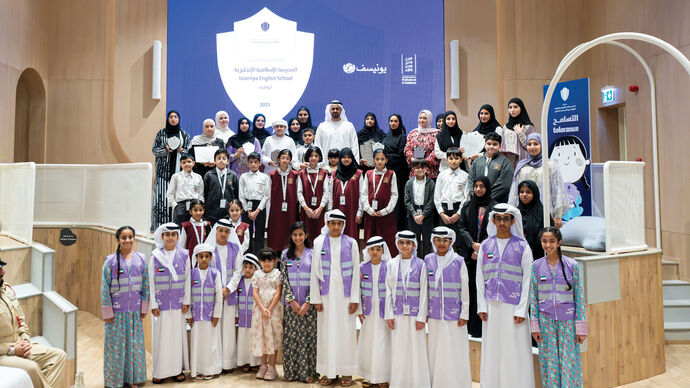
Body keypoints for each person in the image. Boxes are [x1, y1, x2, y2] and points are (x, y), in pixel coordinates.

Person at [476, 204, 535, 388]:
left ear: (512, 221)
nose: (502, 223)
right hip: (491, 306)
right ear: (493, 220)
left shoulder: (522, 247)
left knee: (514, 350)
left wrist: (521, 309)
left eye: (506, 219)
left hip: (514, 307)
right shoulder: (486, 245)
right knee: (493, 349)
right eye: (498, 219)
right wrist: (481, 306)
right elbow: (479, 276)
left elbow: (528, 281)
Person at [531, 227, 588, 387]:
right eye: (544, 241)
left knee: (569, 362)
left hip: (568, 323)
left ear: (559, 242)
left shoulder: (572, 265)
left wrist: (581, 328)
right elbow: (533, 297)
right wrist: (535, 326)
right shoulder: (536, 266)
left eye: (552, 241)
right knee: (549, 363)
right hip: (545, 322)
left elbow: (579, 297)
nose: (548, 245)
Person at [310, 210, 361, 386]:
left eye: (339, 224)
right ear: (327, 224)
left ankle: (346, 371)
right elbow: (314, 273)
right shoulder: (318, 242)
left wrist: (355, 298)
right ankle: (328, 371)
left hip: (346, 297)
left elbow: (356, 272)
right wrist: (315, 298)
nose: (336, 227)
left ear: (343, 225)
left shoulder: (351, 243)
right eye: (333, 223)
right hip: (325, 297)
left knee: (345, 332)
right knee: (326, 333)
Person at [0, 258, 66, 388]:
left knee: (59, 356)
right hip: (3, 353)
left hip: (19, 344)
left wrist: (25, 340)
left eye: (2, 267)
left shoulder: (7, 290)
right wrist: (13, 350)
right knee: (32, 368)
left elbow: (21, 321)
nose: (3, 272)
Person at [101, 226, 149, 388]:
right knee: (116, 348)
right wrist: (107, 311)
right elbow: (104, 287)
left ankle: (133, 379)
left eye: (130, 237)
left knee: (134, 347)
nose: (127, 240)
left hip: (134, 312)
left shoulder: (141, 259)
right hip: (116, 314)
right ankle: (115, 380)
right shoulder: (110, 261)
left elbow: (146, 285)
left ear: (134, 238)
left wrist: (144, 307)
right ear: (118, 240)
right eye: (124, 237)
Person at [425, 226, 471, 388]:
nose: (442, 243)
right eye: (438, 240)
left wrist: (464, 313)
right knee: (436, 351)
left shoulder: (458, 261)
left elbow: (465, 288)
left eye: (445, 240)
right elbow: (425, 289)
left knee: (455, 351)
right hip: (434, 314)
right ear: (433, 241)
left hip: (454, 315)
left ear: (451, 242)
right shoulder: (428, 259)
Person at [385, 231, 430, 388]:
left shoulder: (421, 264)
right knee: (399, 350)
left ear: (414, 245)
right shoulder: (391, 264)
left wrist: (421, 316)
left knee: (416, 350)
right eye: (402, 242)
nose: (405, 246)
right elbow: (388, 291)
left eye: (408, 243)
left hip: (415, 315)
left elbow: (424, 291)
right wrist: (389, 314)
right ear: (397, 244)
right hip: (397, 314)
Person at [148, 223, 189, 383]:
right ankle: (159, 371)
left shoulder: (185, 255)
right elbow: (150, 281)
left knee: (176, 337)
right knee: (160, 338)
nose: (170, 237)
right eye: (167, 234)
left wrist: (186, 300)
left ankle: (177, 370)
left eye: (173, 234)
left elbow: (186, 280)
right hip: (161, 305)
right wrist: (153, 303)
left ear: (178, 237)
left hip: (178, 304)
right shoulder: (156, 255)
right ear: (162, 237)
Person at [457, 176, 497, 338]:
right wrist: (472, 245)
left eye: (482, 186)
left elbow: (496, 231)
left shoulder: (495, 208)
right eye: (476, 186)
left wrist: (482, 248)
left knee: (485, 290)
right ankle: (472, 328)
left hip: (488, 256)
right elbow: (462, 227)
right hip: (470, 255)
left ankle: (485, 327)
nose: (479, 189)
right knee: (471, 289)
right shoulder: (467, 206)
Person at [280, 222, 318, 383]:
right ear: (291, 236)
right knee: (291, 340)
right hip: (291, 307)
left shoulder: (313, 253)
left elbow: (316, 278)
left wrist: (308, 302)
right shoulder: (284, 255)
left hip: (309, 307)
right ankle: (291, 372)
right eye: (295, 235)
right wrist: (292, 301)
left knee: (308, 339)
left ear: (306, 235)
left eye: (301, 234)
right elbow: (284, 278)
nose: (298, 238)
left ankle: (308, 372)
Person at [508, 133, 570, 228]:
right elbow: (515, 190)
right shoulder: (522, 165)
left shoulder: (550, 165)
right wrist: (511, 211)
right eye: (529, 144)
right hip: (524, 212)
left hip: (544, 211)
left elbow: (557, 189)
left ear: (542, 145)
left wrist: (558, 215)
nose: (532, 147)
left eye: (536, 144)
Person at [206, 219, 243, 372]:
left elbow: (238, 271)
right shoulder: (208, 249)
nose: (223, 234)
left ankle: (227, 363)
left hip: (229, 295)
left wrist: (227, 289)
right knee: (213, 329)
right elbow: (205, 270)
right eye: (221, 231)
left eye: (226, 231)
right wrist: (218, 291)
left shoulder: (235, 248)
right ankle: (214, 363)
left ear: (230, 233)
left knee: (227, 329)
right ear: (216, 231)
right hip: (213, 296)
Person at [357, 236, 392, 388]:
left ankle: (383, 376)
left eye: (378, 249)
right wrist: (359, 309)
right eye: (372, 249)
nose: (375, 252)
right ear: (367, 251)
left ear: (382, 250)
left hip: (384, 312)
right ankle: (369, 376)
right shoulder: (362, 267)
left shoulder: (389, 266)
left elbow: (392, 290)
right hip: (368, 312)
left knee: (383, 343)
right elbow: (356, 290)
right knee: (369, 342)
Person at [185, 243, 223, 380]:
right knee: (197, 344)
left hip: (210, 315)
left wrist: (217, 314)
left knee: (210, 344)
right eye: (201, 256)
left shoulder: (215, 274)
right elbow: (187, 295)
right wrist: (189, 314)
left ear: (210, 257)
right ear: (196, 257)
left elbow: (219, 296)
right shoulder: (191, 273)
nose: (204, 259)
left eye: (207, 256)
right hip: (195, 316)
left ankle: (209, 369)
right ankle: (198, 370)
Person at [151, 110, 191, 231]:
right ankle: (160, 228)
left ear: (179, 119)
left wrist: (180, 150)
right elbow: (154, 150)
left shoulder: (184, 134)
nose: (173, 119)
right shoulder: (161, 134)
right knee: (162, 200)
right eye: (171, 117)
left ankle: (176, 228)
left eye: (175, 116)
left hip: (179, 173)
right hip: (163, 174)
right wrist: (165, 150)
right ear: (167, 119)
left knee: (177, 200)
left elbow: (189, 151)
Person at [251, 248, 284, 381]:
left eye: (270, 260)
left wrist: (269, 308)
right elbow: (255, 292)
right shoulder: (257, 275)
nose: (267, 263)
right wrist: (262, 308)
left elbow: (278, 293)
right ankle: (263, 365)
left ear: (275, 261)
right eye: (264, 260)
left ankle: (272, 366)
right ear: (260, 262)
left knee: (274, 336)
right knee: (263, 337)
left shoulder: (277, 274)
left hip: (274, 311)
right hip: (260, 311)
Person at [361, 149, 398, 255]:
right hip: (371, 214)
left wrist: (386, 211)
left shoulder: (391, 174)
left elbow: (394, 195)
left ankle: (389, 265)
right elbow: (363, 194)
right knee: (370, 239)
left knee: (387, 240)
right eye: (377, 159)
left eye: (382, 159)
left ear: (386, 160)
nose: (380, 161)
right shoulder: (368, 173)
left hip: (386, 214)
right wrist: (368, 209)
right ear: (373, 160)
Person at [434, 147, 470, 251]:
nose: (453, 161)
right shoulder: (441, 175)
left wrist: (458, 213)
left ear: (461, 160)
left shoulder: (465, 176)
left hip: (458, 208)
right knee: (443, 239)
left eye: (456, 158)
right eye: (450, 158)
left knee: (459, 240)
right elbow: (437, 197)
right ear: (447, 159)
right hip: (444, 209)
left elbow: (466, 197)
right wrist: (441, 214)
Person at [325, 148, 364, 241]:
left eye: (348, 157)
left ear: (352, 158)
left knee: (351, 234)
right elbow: (329, 193)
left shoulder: (358, 173)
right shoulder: (334, 174)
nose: (346, 159)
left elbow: (362, 194)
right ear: (340, 159)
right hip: (336, 209)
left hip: (352, 210)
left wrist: (360, 212)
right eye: (343, 157)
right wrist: (330, 210)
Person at [467, 133, 513, 203]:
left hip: (497, 201)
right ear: (485, 145)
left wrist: (488, 198)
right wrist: (476, 195)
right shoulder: (477, 161)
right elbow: (471, 179)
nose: (491, 146)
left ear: (500, 146)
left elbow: (504, 185)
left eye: (495, 144)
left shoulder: (505, 162)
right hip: (477, 201)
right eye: (489, 144)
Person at [267, 149, 299, 250]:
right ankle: (275, 256)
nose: (285, 160)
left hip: (291, 209)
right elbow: (268, 195)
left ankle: (290, 255)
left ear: (290, 160)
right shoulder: (272, 175)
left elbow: (298, 193)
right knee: (276, 232)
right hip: (276, 210)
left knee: (289, 230)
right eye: (283, 158)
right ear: (278, 159)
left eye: (287, 158)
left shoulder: (295, 174)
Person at [239, 152, 271, 254]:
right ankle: (247, 254)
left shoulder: (264, 177)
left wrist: (257, 211)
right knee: (246, 232)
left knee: (259, 232)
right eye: (251, 162)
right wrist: (248, 211)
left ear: (260, 163)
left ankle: (258, 255)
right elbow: (241, 195)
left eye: (256, 162)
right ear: (248, 163)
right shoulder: (243, 176)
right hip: (246, 206)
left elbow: (266, 195)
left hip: (260, 206)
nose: (253, 164)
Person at [382, 113, 409, 231]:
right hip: (387, 173)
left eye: (395, 121)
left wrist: (387, 157)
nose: (393, 123)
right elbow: (382, 155)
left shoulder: (403, 137)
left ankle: (398, 227)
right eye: (391, 121)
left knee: (398, 200)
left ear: (399, 123)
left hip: (399, 174)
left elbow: (400, 155)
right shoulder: (385, 137)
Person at [404, 158, 435, 257]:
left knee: (427, 241)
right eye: (417, 167)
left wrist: (423, 215)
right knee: (414, 242)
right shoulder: (409, 183)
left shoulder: (431, 183)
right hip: (413, 215)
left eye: (422, 167)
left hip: (427, 216)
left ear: (426, 169)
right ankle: (415, 263)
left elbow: (432, 200)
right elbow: (407, 200)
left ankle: (427, 262)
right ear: (413, 169)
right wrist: (414, 214)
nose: (420, 170)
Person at [236, 254, 261, 373]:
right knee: (243, 340)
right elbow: (236, 299)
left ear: (256, 268)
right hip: (242, 317)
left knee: (254, 340)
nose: (247, 269)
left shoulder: (258, 281)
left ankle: (255, 363)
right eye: (245, 266)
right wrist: (236, 314)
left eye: (251, 267)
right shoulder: (239, 281)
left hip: (254, 317)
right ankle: (244, 361)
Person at [297, 147, 329, 239]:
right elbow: (299, 192)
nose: (313, 158)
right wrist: (306, 208)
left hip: (320, 210)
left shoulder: (324, 173)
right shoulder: (301, 173)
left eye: (316, 156)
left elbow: (326, 192)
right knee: (306, 235)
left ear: (319, 158)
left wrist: (320, 208)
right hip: (306, 210)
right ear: (307, 157)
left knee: (320, 235)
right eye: (311, 156)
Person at [517, 180, 552, 260]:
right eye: (522, 192)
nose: (524, 195)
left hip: (538, 256)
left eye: (528, 192)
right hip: (518, 255)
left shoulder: (543, 213)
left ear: (535, 194)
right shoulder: (516, 213)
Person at [203, 149, 240, 225]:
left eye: (224, 158)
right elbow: (205, 194)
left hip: (229, 213)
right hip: (212, 212)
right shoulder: (209, 175)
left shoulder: (233, 175)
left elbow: (236, 194)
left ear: (228, 161)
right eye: (218, 158)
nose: (221, 160)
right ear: (215, 160)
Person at [166, 153, 204, 225]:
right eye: (184, 162)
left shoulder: (198, 177)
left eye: (189, 162)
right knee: (179, 227)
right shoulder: (176, 176)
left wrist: (200, 205)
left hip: (194, 205)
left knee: (193, 226)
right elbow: (170, 193)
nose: (187, 164)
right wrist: (175, 205)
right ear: (180, 165)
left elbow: (200, 193)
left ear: (193, 163)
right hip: (180, 205)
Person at [498, 97, 536, 167]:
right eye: (510, 107)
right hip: (507, 163)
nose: (512, 110)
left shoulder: (529, 126)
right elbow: (502, 146)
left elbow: (531, 147)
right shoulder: (505, 127)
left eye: (515, 107)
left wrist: (520, 133)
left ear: (521, 108)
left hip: (522, 162)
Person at [404, 109, 440, 179]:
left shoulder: (437, 133)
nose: (422, 120)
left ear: (429, 119)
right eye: (420, 118)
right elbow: (407, 148)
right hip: (415, 170)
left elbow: (437, 150)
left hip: (430, 171)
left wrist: (426, 161)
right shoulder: (412, 133)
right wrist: (413, 159)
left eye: (425, 118)